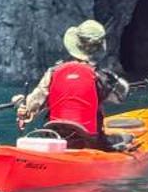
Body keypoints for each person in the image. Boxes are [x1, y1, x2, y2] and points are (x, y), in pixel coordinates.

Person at [13, 20, 131, 149]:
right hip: (89, 141)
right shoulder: (102, 78)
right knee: (127, 139)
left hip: (54, 136)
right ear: (99, 48)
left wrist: (21, 104)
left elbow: (32, 105)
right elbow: (121, 96)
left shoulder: (53, 72)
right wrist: (115, 80)